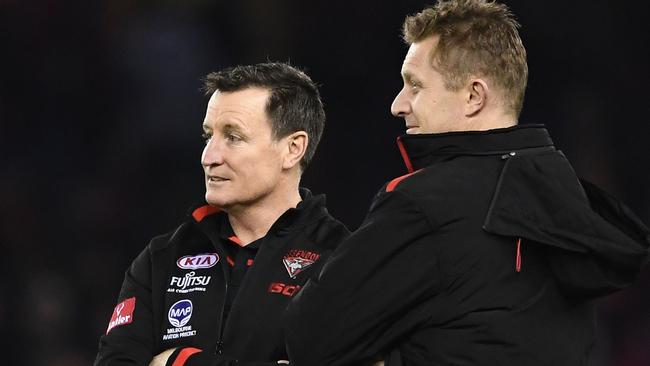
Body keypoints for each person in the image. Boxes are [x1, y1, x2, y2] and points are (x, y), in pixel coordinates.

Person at [284, 1, 650, 365]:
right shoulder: (564, 191)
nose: (398, 104)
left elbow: (308, 338)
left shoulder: (425, 203)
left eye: (415, 85)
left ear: (474, 96)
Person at [94, 62, 350, 366]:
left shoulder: (341, 260)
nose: (209, 157)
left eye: (233, 137)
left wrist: (179, 361)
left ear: (293, 149)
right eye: (208, 136)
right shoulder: (161, 258)